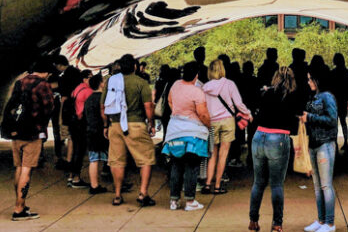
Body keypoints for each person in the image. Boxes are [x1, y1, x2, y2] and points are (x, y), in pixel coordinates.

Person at [248, 66, 301, 232]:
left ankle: (253, 223)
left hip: (259, 136)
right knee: (277, 184)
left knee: (258, 183)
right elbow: (294, 125)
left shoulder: (267, 93)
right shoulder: (293, 96)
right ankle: (277, 226)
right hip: (278, 138)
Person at [107, 54, 157, 207]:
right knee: (146, 158)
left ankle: (117, 195)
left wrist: (105, 125)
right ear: (135, 67)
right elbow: (148, 106)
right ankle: (143, 193)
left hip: (115, 125)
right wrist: (151, 123)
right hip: (135, 124)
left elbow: (104, 106)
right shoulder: (141, 83)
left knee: (117, 160)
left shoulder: (112, 82)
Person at [7, 60, 55, 220]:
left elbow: (11, 104)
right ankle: (19, 208)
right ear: (46, 72)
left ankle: (19, 202)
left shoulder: (19, 83)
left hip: (16, 132)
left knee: (19, 167)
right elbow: (49, 107)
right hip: (33, 132)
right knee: (27, 169)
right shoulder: (43, 85)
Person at [163, 61, 211, 211]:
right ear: (196, 76)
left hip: (174, 130)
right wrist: (209, 125)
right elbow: (202, 113)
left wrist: (178, 113)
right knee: (191, 165)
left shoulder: (176, 85)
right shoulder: (197, 92)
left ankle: (174, 200)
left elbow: (170, 101)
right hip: (193, 133)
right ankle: (190, 201)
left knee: (176, 165)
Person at [202, 58, 251, 195]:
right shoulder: (229, 84)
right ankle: (217, 186)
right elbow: (239, 104)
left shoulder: (205, 87)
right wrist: (248, 113)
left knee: (212, 154)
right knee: (223, 155)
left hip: (212, 122)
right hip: (227, 121)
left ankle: (207, 184)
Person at [302, 66, 338, 232]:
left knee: (325, 185)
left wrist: (309, 117)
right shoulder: (316, 96)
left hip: (325, 144)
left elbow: (332, 120)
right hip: (315, 143)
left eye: (310, 79)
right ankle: (322, 219)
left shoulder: (327, 97)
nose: (308, 82)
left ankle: (329, 222)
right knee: (318, 186)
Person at [82, 74, 109, 194]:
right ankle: (119, 184)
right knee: (112, 159)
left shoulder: (88, 99)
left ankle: (94, 185)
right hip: (102, 131)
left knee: (93, 159)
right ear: (100, 84)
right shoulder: (103, 98)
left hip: (90, 130)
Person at [66, 70, 94, 189]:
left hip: (73, 122)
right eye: (89, 77)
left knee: (76, 150)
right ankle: (77, 179)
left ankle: (71, 176)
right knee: (80, 151)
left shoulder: (77, 89)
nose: (91, 79)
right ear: (84, 78)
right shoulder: (88, 91)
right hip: (81, 123)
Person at [331, 52, 348, 151]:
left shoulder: (333, 73)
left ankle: (335, 142)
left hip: (335, 100)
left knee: (334, 123)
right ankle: (346, 142)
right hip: (343, 100)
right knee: (343, 121)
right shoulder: (346, 72)